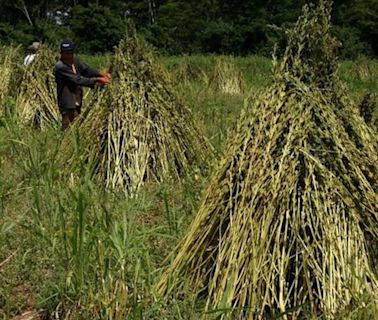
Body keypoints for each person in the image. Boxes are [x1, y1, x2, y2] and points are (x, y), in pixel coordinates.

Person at [54, 39, 111, 130]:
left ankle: (72, 142)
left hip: (77, 98)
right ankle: (64, 143)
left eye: (70, 52)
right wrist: (97, 80)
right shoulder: (60, 67)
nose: (68, 55)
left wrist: (100, 73)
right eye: (66, 53)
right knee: (68, 125)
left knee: (76, 123)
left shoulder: (75, 61)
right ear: (61, 53)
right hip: (67, 101)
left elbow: (87, 70)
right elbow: (78, 80)